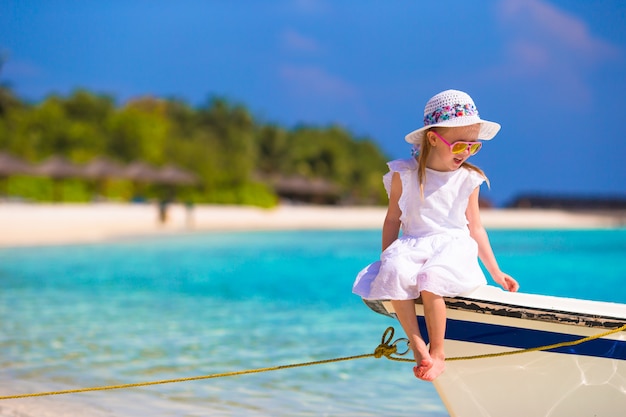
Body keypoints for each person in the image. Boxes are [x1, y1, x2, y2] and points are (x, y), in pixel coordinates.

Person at [352, 89, 519, 381]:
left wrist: (496, 271)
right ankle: (419, 347)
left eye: (473, 147)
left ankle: (438, 351)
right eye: (458, 147)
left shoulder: (469, 178)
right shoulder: (404, 175)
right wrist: (387, 256)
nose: (466, 153)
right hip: (414, 242)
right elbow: (393, 219)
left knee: (432, 279)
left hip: (453, 245)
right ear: (432, 139)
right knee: (394, 271)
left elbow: (475, 227)